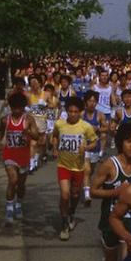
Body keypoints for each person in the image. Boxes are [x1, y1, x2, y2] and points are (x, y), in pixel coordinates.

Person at [91, 122, 131, 261]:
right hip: (110, 219)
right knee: (111, 258)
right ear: (121, 142)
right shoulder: (109, 165)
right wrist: (114, 193)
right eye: (129, 141)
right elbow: (93, 191)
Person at [52, 96, 98, 241]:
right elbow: (54, 137)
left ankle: (71, 213)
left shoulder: (86, 127)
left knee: (75, 195)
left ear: (80, 112)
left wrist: (86, 147)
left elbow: (94, 142)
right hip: (63, 165)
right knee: (65, 194)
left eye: (76, 112)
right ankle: (64, 224)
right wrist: (54, 147)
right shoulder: (60, 124)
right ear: (67, 111)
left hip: (78, 167)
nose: (72, 114)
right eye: (70, 111)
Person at [0, 92, 39, 225]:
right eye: (14, 108)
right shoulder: (5, 120)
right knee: (13, 180)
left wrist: (28, 132)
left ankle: (19, 204)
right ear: (11, 107)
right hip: (10, 154)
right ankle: (9, 208)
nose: (16, 111)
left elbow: (37, 136)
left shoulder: (28, 119)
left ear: (23, 107)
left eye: (19, 108)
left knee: (21, 184)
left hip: (23, 155)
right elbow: (0, 132)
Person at [81, 91, 107, 205]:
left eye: (94, 101)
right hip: (84, 146)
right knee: (87, 170)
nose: (92, 103)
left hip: (95, 146)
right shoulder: (82, 114)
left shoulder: (100, 115)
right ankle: (87, 195)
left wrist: (97, 129)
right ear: (86, 102)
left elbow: (106, 129)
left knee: (90, 170)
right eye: (90, 101)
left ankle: (85, 186)